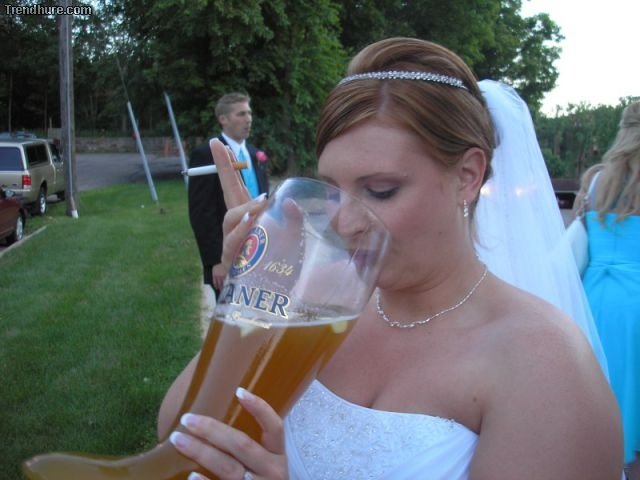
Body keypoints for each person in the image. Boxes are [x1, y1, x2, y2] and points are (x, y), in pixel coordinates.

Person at [161, 38, 622, 479]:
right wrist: (252, 292)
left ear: (467, 176)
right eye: (333, 190)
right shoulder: (318, 293)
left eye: (380, 190)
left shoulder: (543, 363)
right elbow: (177, 434)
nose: (344, 223)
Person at [578, 101, 640, 479]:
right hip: (636, 298)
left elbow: (582, 234)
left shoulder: (596, 180)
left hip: (594, 299)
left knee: (603, 392)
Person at [188, 92, 269, 298]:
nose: (248, 119)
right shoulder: (206, 155)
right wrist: (216, 261)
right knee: (229, 311)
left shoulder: (255, 153)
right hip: (226, 255)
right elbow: (201, 213)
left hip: (258, 250)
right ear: (223, 119)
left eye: (249, 113)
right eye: (241, 114)